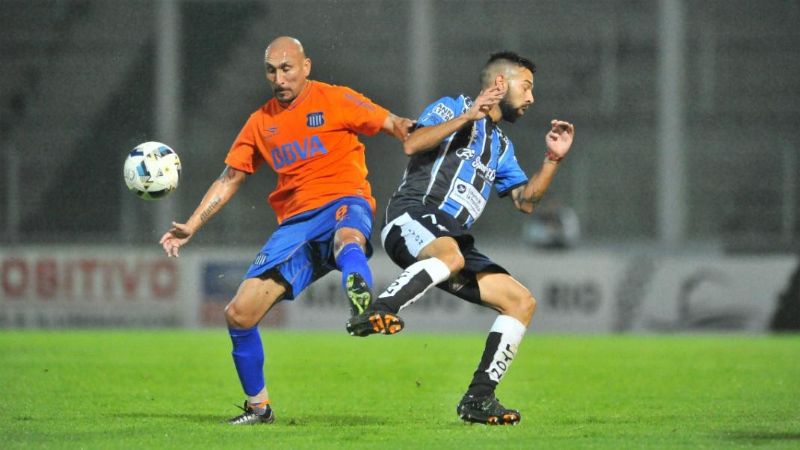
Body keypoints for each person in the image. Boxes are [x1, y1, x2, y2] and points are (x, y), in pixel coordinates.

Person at [159, 36, 412, 425]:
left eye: (287, 68)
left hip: (345, 202)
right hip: (296, 226)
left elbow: (394, 123)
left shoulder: (336, 99)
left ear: (306, 66)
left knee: (349, 237)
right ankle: (259, 408)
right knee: (239, 315)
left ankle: (364, 307)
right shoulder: (261, 122)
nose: (279, 78)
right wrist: (191, 225)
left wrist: (422, 131)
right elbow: (230, 178)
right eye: (271, 70)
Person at [346, 51, 576, 426]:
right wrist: (469, 116)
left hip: (450, 237)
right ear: (499, 84)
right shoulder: (453, 106)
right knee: (450, 255)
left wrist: (552, 159)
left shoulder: (501, 147)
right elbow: (411, 142)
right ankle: (379, 309)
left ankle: (479, 399)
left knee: (521, 302)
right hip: (412, 214)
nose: (532, 97)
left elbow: (525, 202)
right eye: (527, 86)